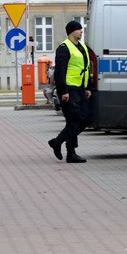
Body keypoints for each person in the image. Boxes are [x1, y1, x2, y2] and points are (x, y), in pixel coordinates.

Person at [48, 20, 93, 163]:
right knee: (74, 120)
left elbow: (86, 69)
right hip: (69, 89)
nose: (81, 31)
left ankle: (57, 141)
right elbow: (60, 72)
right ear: (72, 31)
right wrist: (63, 91)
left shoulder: (82, 47)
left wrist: (88, 87)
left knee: (84, 119)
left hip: (80, 89)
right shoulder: (64, 48)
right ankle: (71, 153)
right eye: (79, 29)